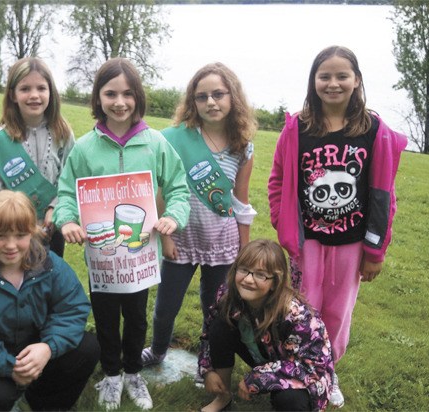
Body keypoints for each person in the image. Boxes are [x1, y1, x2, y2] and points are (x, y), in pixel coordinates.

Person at [267, 45, 408, 408]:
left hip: (352, 243)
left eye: (342, 75)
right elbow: (278, 180)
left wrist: (376, 250)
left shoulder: (373, 129)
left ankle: (328, 371)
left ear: (356, 80)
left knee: (337, 312)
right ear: (313, 81)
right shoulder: (297, 128)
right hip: (307, 241)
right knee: (302, 309)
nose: (333, 83)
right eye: (324, 76)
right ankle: (300, 368)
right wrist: (282, 225)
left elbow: (383, 195)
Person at [52, 57, 190, 410]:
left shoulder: (156, 143)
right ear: (97, 98)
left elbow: (178, 186)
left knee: (138, 317)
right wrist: (67, 221)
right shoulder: (84, 148)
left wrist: (173, 216)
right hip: (102, 259)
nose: (119, 102)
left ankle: (133, 372)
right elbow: (66, 192)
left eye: (128, 94)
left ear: (138, 97)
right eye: (110, 93)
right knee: (106, 317)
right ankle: (111, 374)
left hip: (141, 259)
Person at [141, 62, 257, 377]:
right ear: (193, 102)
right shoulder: (174, 140)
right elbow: (161, 191)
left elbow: (240, 202)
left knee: (215, 310)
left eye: (218, 94)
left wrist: (243, 251)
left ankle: (206, 362)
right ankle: (158, 350)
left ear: (233, 97)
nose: (211, 102)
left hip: (222, 243)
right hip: (179, 239)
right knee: (166, 306)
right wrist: (165, 237)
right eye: (201, 96)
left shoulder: (242, 148)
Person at [0, 190, 99, 411]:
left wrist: (48, 347)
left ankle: (41, 403)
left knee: (87, 349)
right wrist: (9, 366)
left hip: (33, 348)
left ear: (32, 233)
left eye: (20, 235)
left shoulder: (51, 265)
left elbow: (72, 309)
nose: (11, 245)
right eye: (1, 235)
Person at [198, 239, 334, 412]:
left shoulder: (297, 316)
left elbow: (310, 368)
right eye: (244, 270)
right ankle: (223, 396)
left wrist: (257, 378)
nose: (248, 279)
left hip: (306, 372)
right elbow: (208, 333)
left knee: (290, 400)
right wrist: (208, 370)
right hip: (266, 353)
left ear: (275, 281)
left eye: (260, 275)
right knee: (219, 325)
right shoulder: (228, 295)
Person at [0, 57, 75, 257]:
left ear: (51, 92)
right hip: (13, 234)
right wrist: (23, 225)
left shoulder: (63, 134)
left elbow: (70, 179)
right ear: (13, 95)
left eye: (41, 88)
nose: (34, 95)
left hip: (52, 228)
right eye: (25, 89)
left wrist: (54, 208)